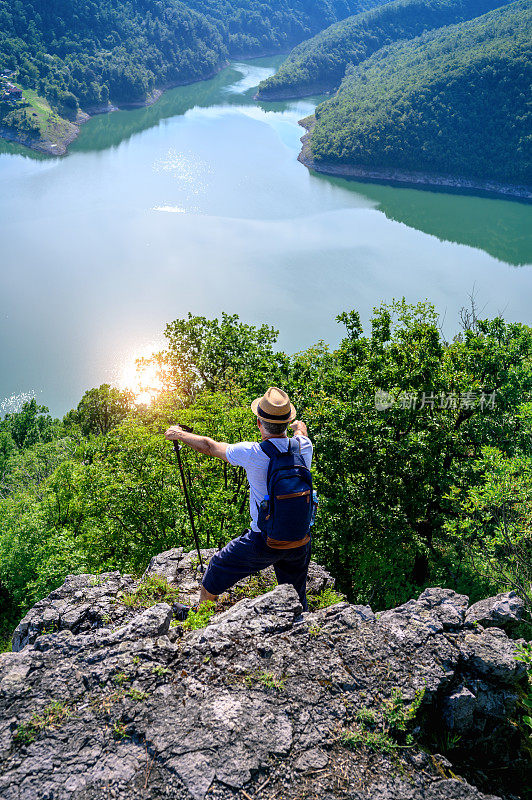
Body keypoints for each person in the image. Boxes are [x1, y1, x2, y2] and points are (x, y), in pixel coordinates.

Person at [164, 387, 313, 612]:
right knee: (294, 591)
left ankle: (201, 613)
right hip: (299, 538)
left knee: (218, 565)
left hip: (263, 541)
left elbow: (209, 446)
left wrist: (179, 434)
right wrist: (297, 425)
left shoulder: (252, 453)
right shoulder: (304, 447)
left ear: (259, 424)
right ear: (286, 423)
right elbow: (301, 433)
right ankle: (300, 617)